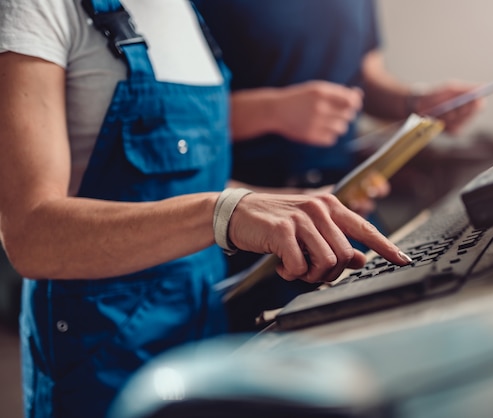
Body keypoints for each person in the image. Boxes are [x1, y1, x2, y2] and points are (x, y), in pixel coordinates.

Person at [0, 1, 412, 417]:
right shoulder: (37, 8)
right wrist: (225, 211)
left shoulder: (184, 12)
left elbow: (186, 182)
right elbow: (30, 235)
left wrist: (294, 206)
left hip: (204, 333)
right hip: (102, 357)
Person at [193, 0, 485, 330]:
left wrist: (415, 102)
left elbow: (362, 75)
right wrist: (270, 111)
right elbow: (171, 120)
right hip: (251, 231)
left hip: (344, 209)